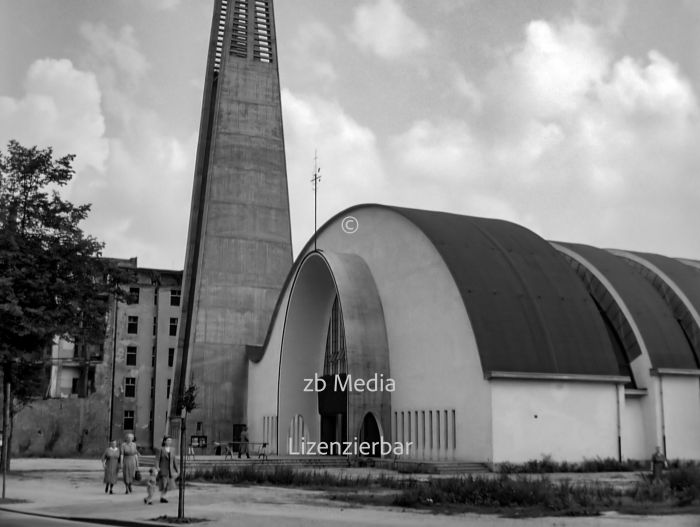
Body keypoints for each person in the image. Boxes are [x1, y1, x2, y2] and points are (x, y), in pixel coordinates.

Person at [156, 436, 179, 503]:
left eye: (170, 440)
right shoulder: (160, 449)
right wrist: (157, 467)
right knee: (164, 484)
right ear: (164, 441)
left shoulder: (172, 449)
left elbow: (174, 460)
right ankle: (162, 497)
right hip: (163, 468)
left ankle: (162, 496)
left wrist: (177, 469)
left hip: (170, 469)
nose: (169, 442)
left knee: (169, 484)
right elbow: (157, 459)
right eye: (168, 440)